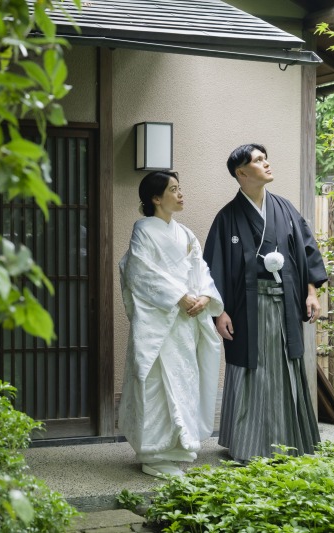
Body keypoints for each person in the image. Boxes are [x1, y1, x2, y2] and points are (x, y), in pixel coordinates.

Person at [204, 143, 328, 464]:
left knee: (286, 368)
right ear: (241, 173)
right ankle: (246, 443)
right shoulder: (227, 218)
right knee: (251, 370)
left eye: (265, 158)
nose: (266, 163)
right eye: (258, 160)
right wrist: (219, 312)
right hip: (247, 309)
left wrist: (312, 292)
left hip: (285, 304)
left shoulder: (284, 208)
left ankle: (290, 441)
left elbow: (308, 252)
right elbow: (211, 269)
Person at [118, 170, 224, 478]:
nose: (180, 194)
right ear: (155, 198)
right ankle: (154, 453)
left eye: (179, 188)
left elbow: (199, 268)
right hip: (160, 320)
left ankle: (178, 448)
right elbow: (139, 270)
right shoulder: (144, 230)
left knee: (183, 380)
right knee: (155, 385)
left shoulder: (186, 233)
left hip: (185, 321)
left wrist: (204, 295)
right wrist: (178, 296)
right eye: (173, 189)